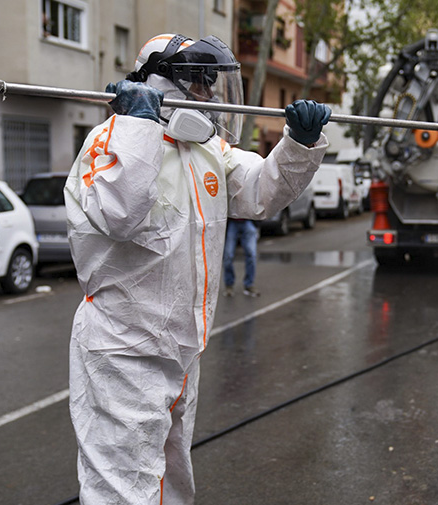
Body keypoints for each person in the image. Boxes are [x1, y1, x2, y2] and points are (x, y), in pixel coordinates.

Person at [64, 33, 330, 505]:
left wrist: (299, 145)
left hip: (184, 351)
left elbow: (260, 192)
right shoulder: (108, 142)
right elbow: (121, 214)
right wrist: (138, 127)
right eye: (202, 85)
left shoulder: (207, 149)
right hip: (124, 350)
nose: (210, 97)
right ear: (166, 82)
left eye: (213, 85)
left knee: (172, 479)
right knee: (123, 489)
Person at [223, 218, 260, 297]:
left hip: (248, 220)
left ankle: (249, 284)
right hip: (232, 222)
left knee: (251, 254)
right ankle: (229, 284)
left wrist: (257, 222)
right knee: (228, 255)